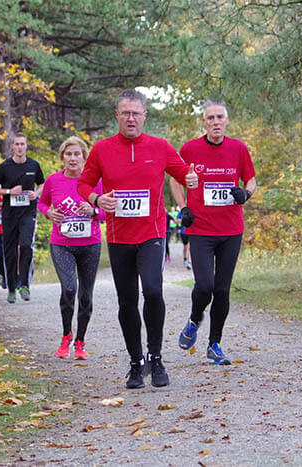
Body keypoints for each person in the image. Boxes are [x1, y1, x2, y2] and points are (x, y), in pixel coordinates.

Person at [77, 89, 199, 389]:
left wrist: (193, 178)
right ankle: (136, 362)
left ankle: (155, 357)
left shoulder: (160, 147)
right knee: (127, 300)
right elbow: (83, 184)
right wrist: (96, 199)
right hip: (119, 237)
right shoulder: (102, 149)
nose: (131, 118)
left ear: (145, 116)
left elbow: (184, 174)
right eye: (125, 113)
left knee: (154, 292)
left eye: (136, 113)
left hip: (152, 234)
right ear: (117, 116)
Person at [170, 99, 257, 365]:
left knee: (222, 290)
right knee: (204, 285)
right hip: (201, 230)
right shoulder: (190, 149)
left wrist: (246, 193)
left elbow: (250, 179)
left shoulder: (238, 148)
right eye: (211, 118)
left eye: (220, 117)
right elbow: (175, 178)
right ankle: (195, 320)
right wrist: (183, 207)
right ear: (204, 122)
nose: (216, 122)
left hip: (231, 230)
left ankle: (214, 345)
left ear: (227, 121)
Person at [38, 136, 105, 360]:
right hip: (62, 244)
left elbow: (107, 209)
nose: (73, 158)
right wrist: (48, 213)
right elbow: (42, 202)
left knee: (86, 296)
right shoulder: (54, 180)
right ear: (62, 157)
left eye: (77, 154)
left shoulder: (96, 181)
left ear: (85, 157)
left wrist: (94, 211)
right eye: (69, 154)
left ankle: (80, 342)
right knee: (69, 288)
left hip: (90, 244)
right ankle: (66, 335)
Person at [0, 134, 45, 304]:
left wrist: (36, 193)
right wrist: (8, 192)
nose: (20, 147)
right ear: (12, 147)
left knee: (26, 245)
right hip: (9, 214)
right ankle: (12, 288)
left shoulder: (33, 165)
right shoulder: (4, 167)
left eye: (22, 144)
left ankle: (25, 284)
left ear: (26, 146)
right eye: (17, 144)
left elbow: (42, 183)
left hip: (28, 213)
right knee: (10, 250)